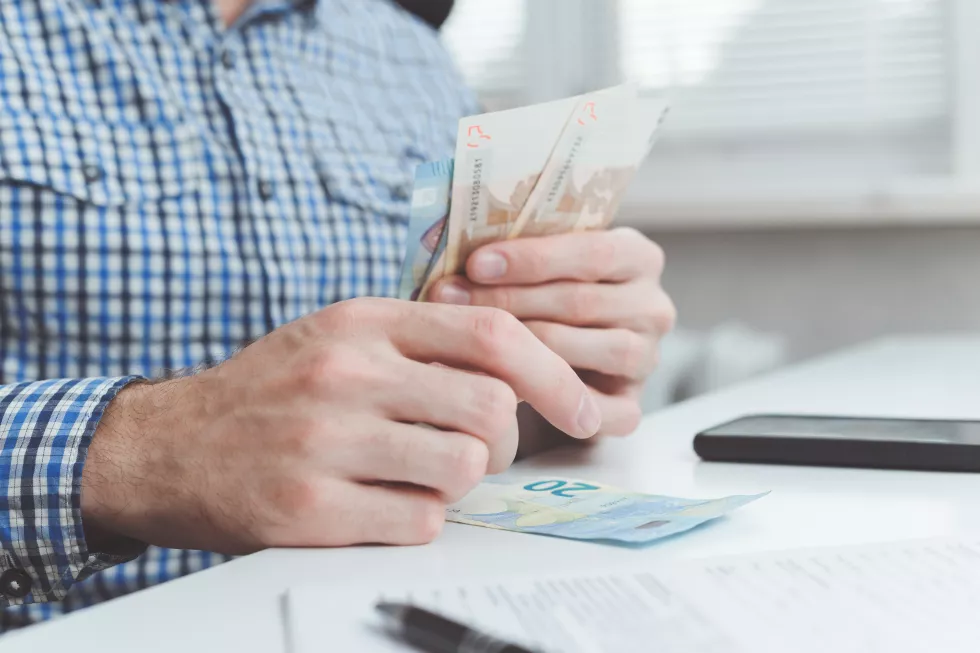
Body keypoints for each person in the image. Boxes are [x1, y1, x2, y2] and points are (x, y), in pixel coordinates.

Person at [0, 0, 675, 629]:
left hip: (398, 618)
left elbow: (454, 408)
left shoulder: (416, 59)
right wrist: (149, 451)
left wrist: (550, 379)